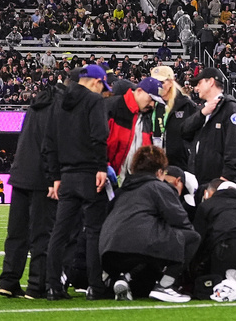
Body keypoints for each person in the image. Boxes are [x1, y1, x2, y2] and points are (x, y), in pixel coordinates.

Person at [43, 65, 112, 301]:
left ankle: (53, 286)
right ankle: (95, 287)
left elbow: (49, 143)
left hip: (66, 176)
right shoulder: (94, 101)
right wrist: (101, 167)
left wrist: (55, 176)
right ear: (96, 81)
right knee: (93, 231)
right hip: (90, 173)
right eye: (102, 84)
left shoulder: (58, 102)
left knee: (60, 232)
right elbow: (99, 135)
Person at [99, 146, 200, 303]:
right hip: (140, 245)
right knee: (192, 238)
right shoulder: (159, 187)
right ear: (159, 172)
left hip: (108, 252)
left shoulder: (121, 192)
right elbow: (181, 222)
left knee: (146, 243)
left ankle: (123, 278)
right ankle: (165, 286)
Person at [0, 81, 61, 299]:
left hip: (20, 175)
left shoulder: (33, 109)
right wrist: (54, 177)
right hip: (41, 178)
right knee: (41, 233)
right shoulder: (55, 112)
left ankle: (8, 281)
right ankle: (37, 285)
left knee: (16, 233)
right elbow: (49, 147)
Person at [182, 67, 236, 188]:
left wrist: (225, 179)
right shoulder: (201, 109)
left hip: (220, 184)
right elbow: (184, 131)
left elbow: (235, 149)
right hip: (200, 183)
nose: (196, 88)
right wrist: (202, 114)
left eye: (199, 83)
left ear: (211, 82)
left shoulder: (231, 109)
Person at [105, 77, 164, 183]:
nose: (152, 104)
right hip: (104, 177)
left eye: (155, 101)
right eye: (151, 99)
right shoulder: (112, 107)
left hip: (133, 181)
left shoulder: (147, 116)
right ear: (139, 91)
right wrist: (103, 165)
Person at [150, 65, 197, 171]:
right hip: (155, 164)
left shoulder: (185, 105)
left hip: (180, 166)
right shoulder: (150, 104)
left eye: (161, 82)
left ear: (171, 82)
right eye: (154, 82)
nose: (158, 86)